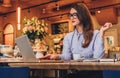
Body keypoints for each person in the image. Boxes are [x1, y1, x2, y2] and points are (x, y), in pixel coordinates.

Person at [39, 3, 112, 78]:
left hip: (92, 74)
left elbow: (98, 58)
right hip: (77, 73)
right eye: (71, 15)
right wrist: (56, 57)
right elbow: (67, 56)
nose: (72, 18)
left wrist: (102, 32)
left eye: (75, 14)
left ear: (83, 15)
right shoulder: (68, 37)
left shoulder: (96, 34)